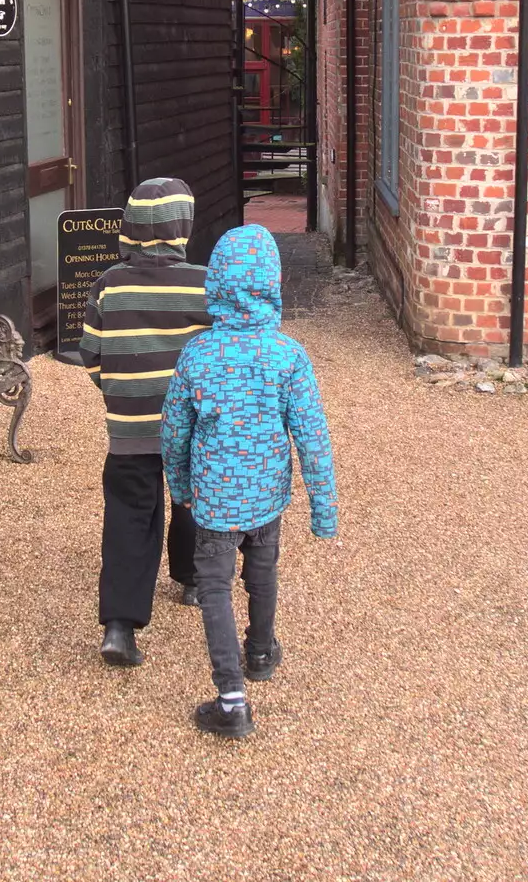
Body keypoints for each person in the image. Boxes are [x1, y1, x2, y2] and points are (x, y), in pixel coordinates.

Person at [161, 225, 336, 739]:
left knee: (213, 587)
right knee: (262, 570)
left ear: (214, 285)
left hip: (212, 500)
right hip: (266, 496)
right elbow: (313, 439)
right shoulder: (288, 356)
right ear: (273, 285)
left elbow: (173, 432)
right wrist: (323, 511)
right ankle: (260, 650)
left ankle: (231, 698)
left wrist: (180, 486)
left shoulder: (198, 355)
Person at [81, 177, 212, 667]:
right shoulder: (205, 283)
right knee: (191, 500)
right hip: (192, 423)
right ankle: (193, 581)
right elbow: (219, 353)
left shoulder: (109, 284)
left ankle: (120, 625)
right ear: (184, 226)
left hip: (130, 423)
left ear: (130, 226)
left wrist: (117, 390)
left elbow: (91, 353)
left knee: (129, 515)